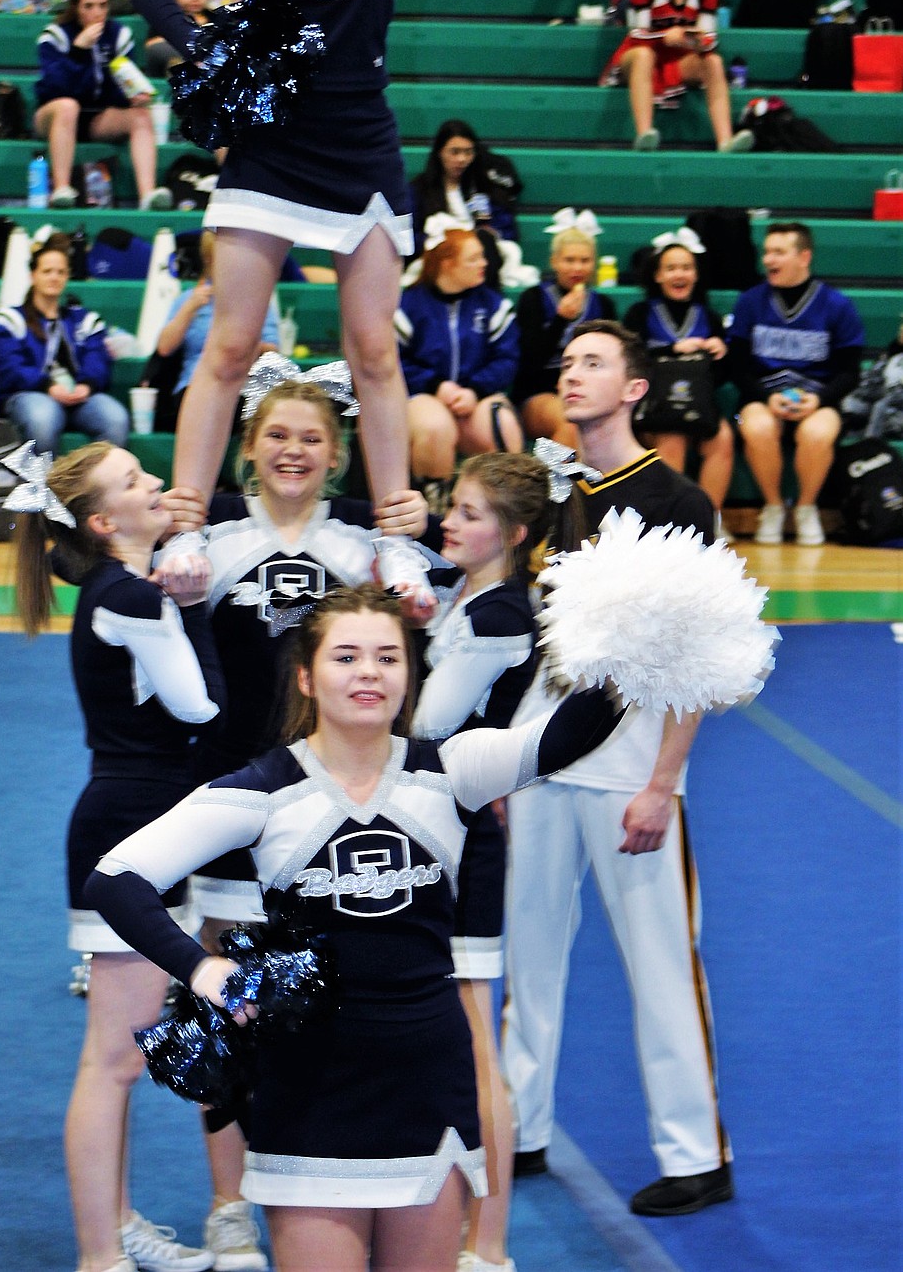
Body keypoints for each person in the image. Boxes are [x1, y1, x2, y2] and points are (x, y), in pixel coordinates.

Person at [83, 583, 624, 1272]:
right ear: (307, 676)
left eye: (387, 657)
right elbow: (116, 878)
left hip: (428, 1085)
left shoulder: (453, 770)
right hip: (310, 1094)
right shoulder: (264, 790)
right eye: (346, 656)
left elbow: (570, 731)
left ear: (409, 674)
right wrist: (201, 967)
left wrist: (635, 624)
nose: (369, 671)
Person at [128, 0, 531, 525]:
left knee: (374, 350)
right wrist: (203, 49)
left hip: (361, 145)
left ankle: (392, 523)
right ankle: (185, 515)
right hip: (271, 144)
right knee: (232, 345)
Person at [156, 376, 436, 1271]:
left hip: (337, 810)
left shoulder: (361, 546)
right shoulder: (208, 540)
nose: (293, 452)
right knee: (231, 1007)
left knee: (336, 1000)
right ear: (247, 445)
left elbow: (419, 612)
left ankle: (332, 1177)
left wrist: (413, 537)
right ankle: (231, 1200)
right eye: (277, 435)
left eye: (311, 439)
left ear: (336, 452)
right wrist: (168, 543)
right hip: (242, 800)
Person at [501, 319, 733, 1218]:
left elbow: (702, 652)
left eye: (593, 362)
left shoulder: (676, 497)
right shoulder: (551, 489)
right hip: (541, 748)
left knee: (661, 960)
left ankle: (696, 1151)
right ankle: (518, 1124)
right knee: (530, 950)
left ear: (636, 388)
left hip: (632, 757)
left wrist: (664, 779)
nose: (573, 373)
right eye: (566, 361)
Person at [11, 440, 219, 1272]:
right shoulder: (130, 595)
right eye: (136, 481)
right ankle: (100, 1254)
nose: (157, 483)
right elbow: (199, 703)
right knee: (113, 1058)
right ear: (104, 522)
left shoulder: (123, 588)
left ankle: (121, 1220)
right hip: (130, 833)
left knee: (126, 1054)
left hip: (147, 825)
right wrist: (196, 606)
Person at [413, 453, 562, 1272]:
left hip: (464, 833)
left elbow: (428, 718)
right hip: (440, 824)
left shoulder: (500, 612)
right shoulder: (464, 592)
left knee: (474, 1041)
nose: (450, 522)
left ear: (511, 533)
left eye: (468, 513)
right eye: (453, 506)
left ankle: (490, 1244)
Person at [728, 221, 865, 546]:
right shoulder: (750, 302)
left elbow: (850, 373)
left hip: (819, 400)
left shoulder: (837, 305)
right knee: (756, 427)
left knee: (817, 433)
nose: (768, 259)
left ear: (804, 257)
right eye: (766, 252)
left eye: (778, 252)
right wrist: (765, 396)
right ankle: (773, 506)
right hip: (762, 398)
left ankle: (806, 507)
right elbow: (737, 367)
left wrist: (819, 400)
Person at [396, 222, 521, 496]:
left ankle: (506, 510)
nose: (484, 263)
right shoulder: (409, 304)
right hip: (423, 396)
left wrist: (474, 390)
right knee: (435, 427)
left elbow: (508, 358)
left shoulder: (493, 304)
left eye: (482, 256)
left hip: (476, 397)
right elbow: (394, 360)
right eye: (474, 258)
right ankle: (434, 511)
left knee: (503, 424)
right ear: (447, 263)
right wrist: (436, 385)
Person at [622, 230, 734, 528]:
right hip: (653, 408)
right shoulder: (640, 313)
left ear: (696, 274)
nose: (679, 274)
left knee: (722, 438)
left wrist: (720, 352)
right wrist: (672, 350)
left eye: (686, 267)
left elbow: (721, 376)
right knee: (673, 436)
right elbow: (629, 360)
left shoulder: (708, 317)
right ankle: (668, 524)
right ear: (657, 275)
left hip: (697, 404)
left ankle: (708, 522)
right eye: (671, 268)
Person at [609, 0, 753, 153]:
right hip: (638, 57)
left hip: (677, 60)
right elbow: (636, 34)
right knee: (645, 55)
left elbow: (710, 40)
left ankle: (725, 141)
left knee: (714, 62)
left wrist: (692, 40)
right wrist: (666, 37)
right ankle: (644, 134)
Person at [0, 236, 129, 457]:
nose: (54, 277)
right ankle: (44, 490)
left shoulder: (84, 319)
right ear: (32, 276)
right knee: (43, 418)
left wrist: (87, 385)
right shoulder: (9, 319)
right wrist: (48, 386)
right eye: (47, 271)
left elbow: (97, 357)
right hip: (29, 393)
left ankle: (98, 489)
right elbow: (9, 366)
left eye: (61, 272)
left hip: (78, 396)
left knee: (115, 418)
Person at [34, 0, 161, 210]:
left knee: (141, 116)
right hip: (52, 115)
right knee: (67, 106)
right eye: (89, 6)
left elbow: (121, 85)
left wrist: (133, 95)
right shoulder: (56, 35)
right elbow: (54, 87)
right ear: (75, 8)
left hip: (96, 118)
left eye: (103, 6)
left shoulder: (117, 35)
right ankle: (61, 189)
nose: (97, 13)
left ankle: (148, 195)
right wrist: (78, 51)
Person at [154, 229, 279, 427]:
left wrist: (248, 345)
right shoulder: (188, 300)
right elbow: (164, 348)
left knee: (252, 410)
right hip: (194, 384)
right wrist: (190, 308)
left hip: (244, 385)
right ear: (208, 260)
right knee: (202, 407)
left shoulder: (255, 299)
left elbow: (273, 352)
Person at [514, 215, 614, 447]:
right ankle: (558, 484)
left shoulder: (603, 304)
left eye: (585, 260)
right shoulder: (533, 298)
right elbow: (530, 361)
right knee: (571, 419)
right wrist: (561, 319)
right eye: (569, 260)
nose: (577, 268)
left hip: (590, 391)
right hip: (540, 394)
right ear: (554, 261)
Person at [408, 118, 522, 268]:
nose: (462, 159)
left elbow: (508, 230)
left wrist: (493, 234)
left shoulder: (485, 187)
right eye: (454, 152)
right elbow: (409, 237)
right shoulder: (420, 189)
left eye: (468, 152)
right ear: (439, 152)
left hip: (481, 259)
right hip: (439, 260)